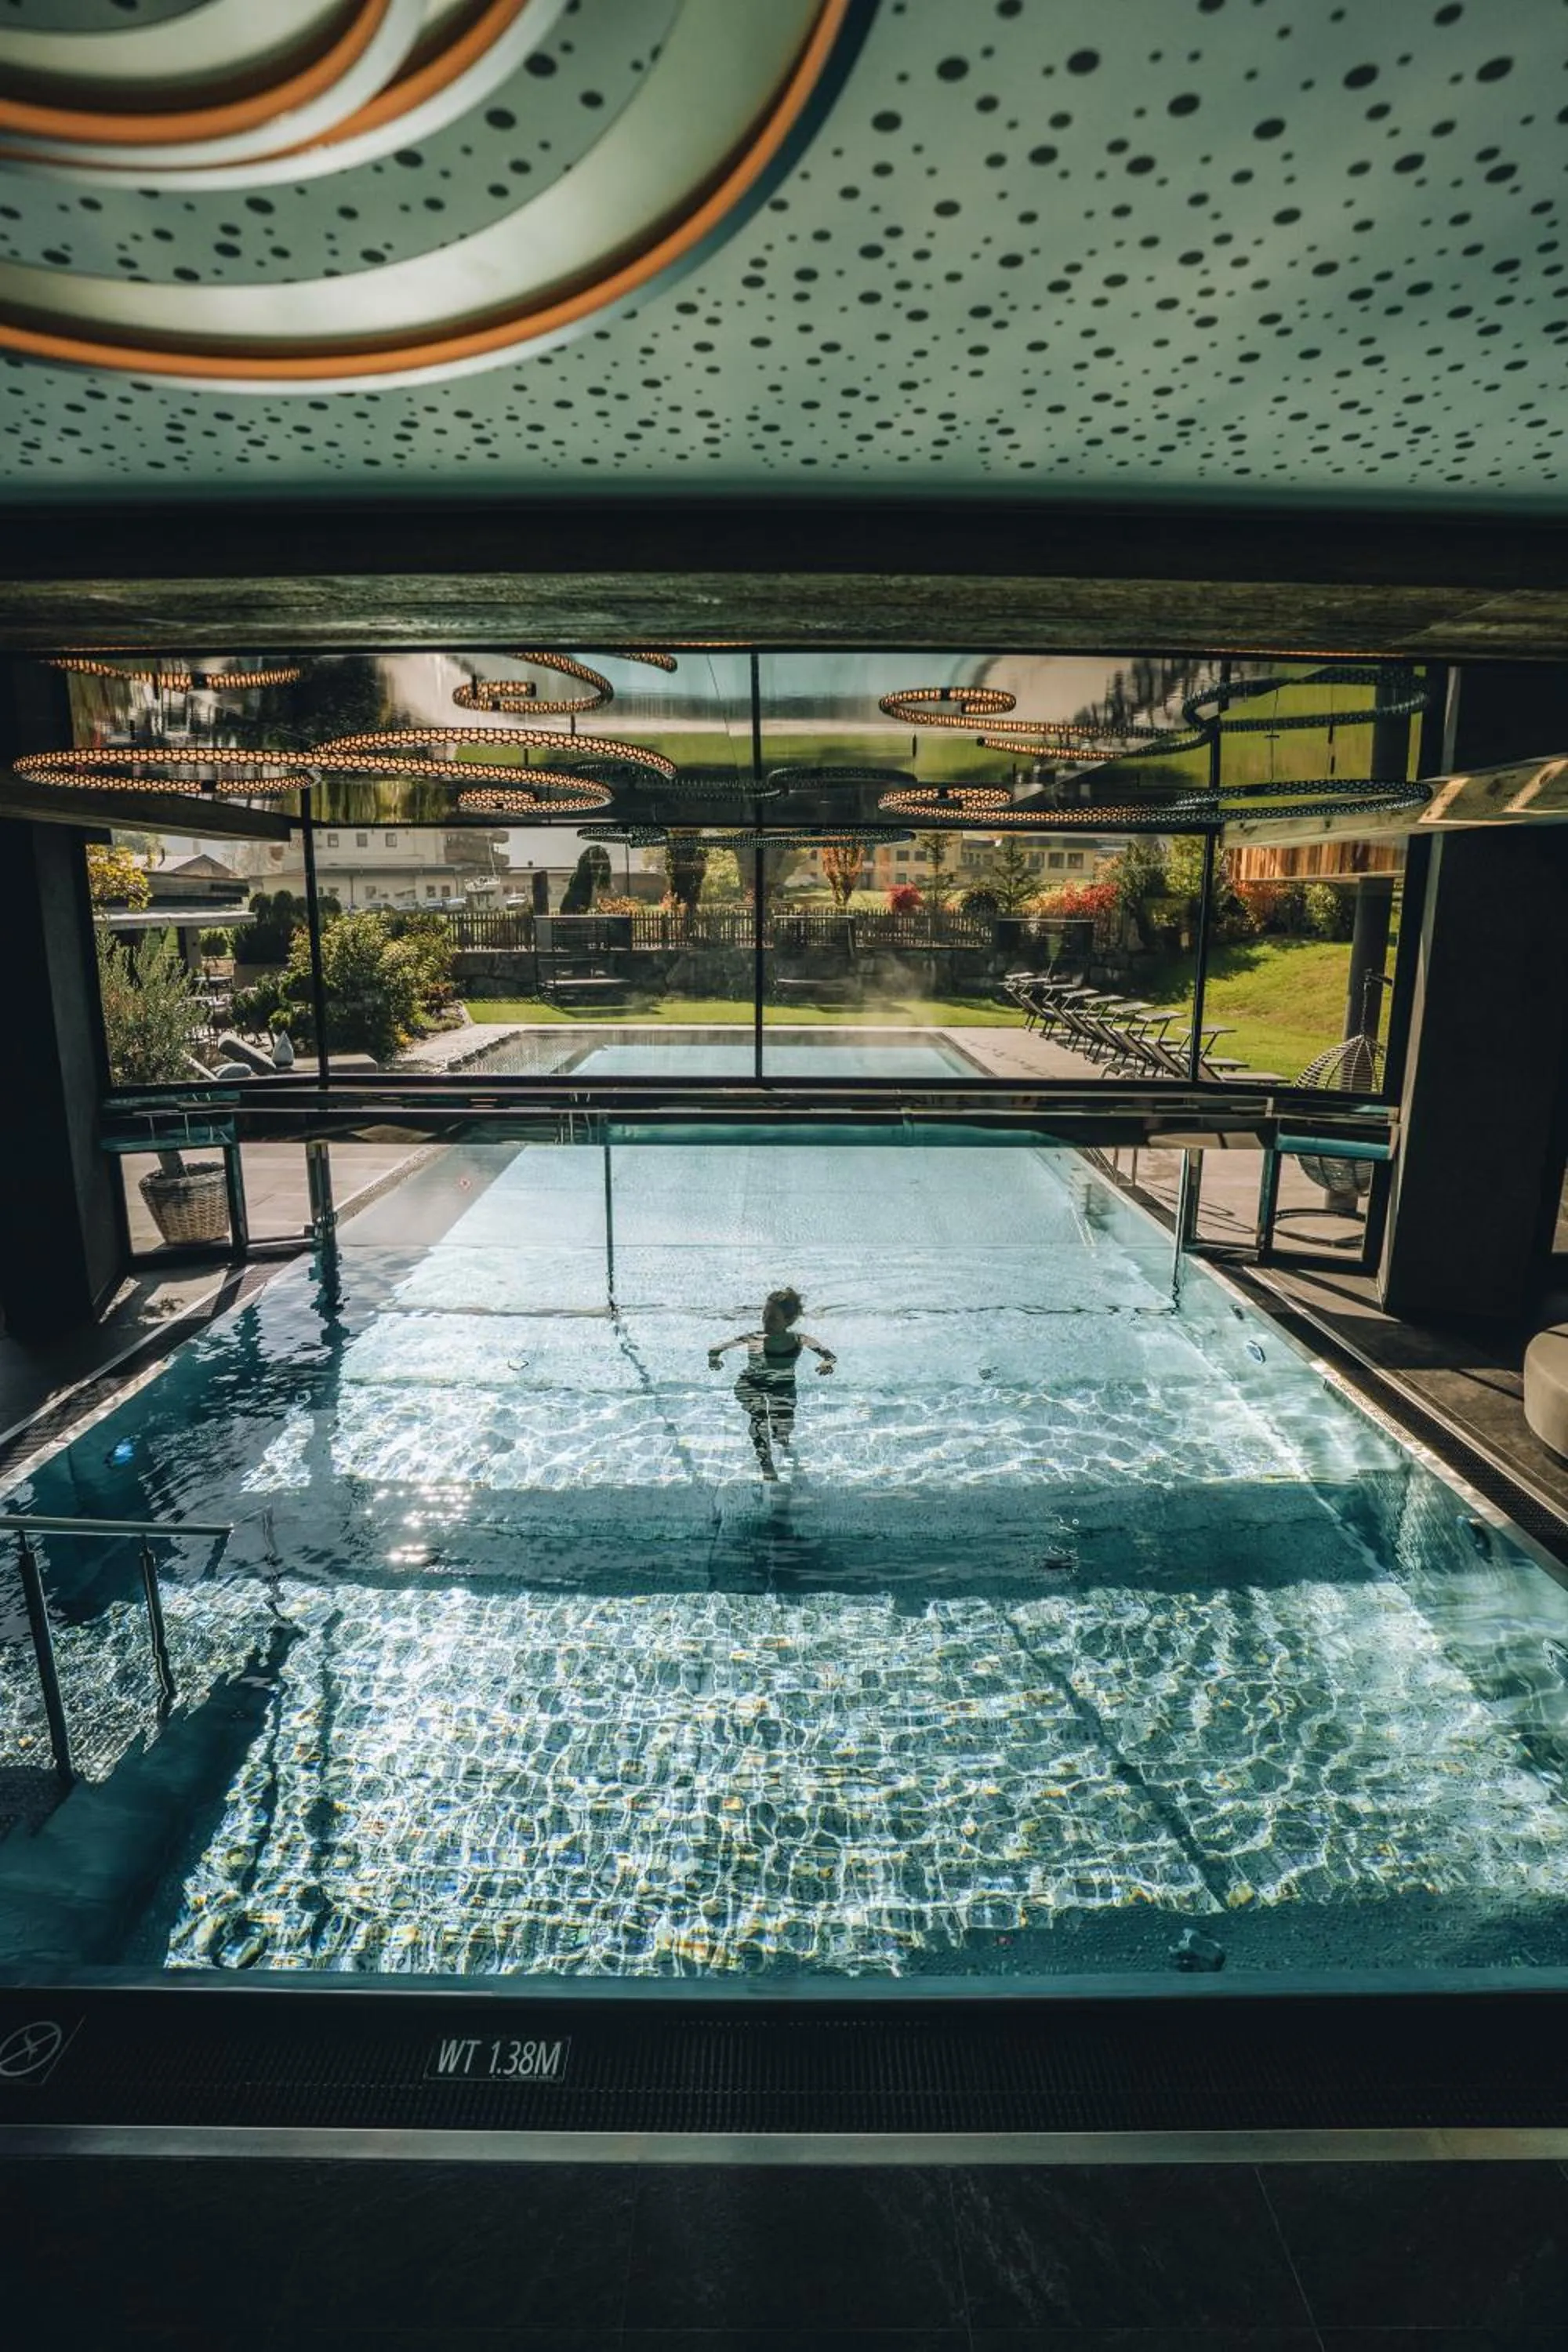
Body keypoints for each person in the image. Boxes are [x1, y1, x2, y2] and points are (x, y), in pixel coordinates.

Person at [708, 1286, 836, 1480]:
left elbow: (830, 1356)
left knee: (782, 1430)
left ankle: (781, 1438)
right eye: (764, 1314)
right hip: (751, 1384)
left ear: (789, 1321)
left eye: (773, 1317)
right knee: (758, 1417)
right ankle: (766, 1463)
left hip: (783, 1388)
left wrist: (826, 1363)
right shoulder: (753, 1337)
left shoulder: (799, 1339)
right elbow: (716, 1350)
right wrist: (714, 1360)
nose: (766, 1320)